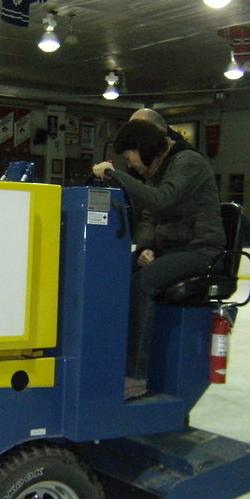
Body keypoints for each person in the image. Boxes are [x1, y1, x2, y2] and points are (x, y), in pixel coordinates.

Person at [92, 119, 225, 400]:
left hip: (200, 251)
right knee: (114, 274)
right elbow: (151, 215)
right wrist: (146, 246)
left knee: (143, 284)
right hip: (170, 249)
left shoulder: (188, 162)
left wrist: (118, 176)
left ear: (142, 148)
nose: (133, 165)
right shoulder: (160, 168)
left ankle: (135, 377)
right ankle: (106, 358)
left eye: (131, 158)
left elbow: (163, 200)